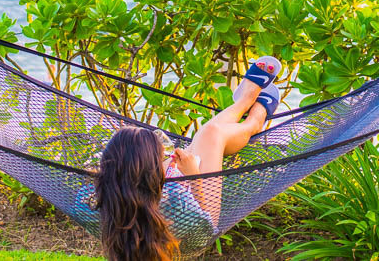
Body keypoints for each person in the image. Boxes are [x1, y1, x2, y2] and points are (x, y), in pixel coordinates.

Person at [92, 56, 282, 261]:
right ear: (149, 173)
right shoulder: (174, 197)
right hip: (198, 213)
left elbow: (82, 197)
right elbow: (206, 224)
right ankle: (254, 117)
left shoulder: (107, 197)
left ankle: (245, 103)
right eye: (158, 159)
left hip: (157, 192)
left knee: (206, 137)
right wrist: (193, 177)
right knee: (212, 135)